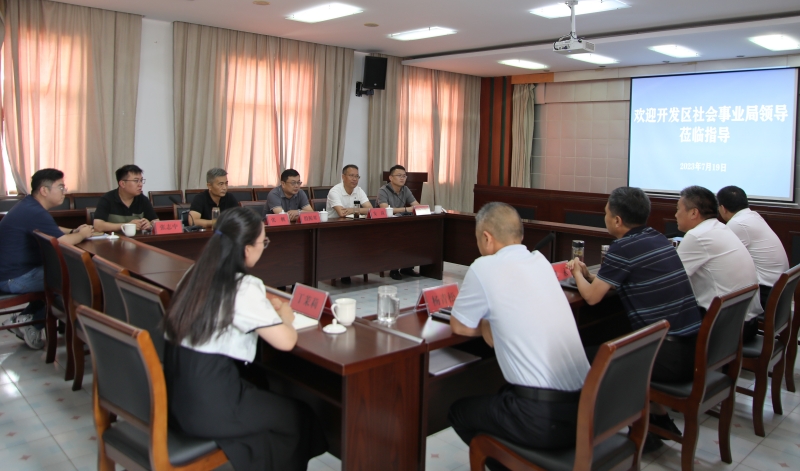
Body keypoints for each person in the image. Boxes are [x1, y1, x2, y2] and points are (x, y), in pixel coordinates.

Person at [163, 207, 327, 471]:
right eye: (264, 242)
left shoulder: (193, 275)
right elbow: (286, 341)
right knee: (299, 416)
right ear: (247, 249)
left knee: (267, 398)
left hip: (178, 400)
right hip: (211, 405)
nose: (264, 247)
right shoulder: (243, 285)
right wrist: (285, 316)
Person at [447, 202, 590, 470]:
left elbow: (459, 326)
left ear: (486, 238)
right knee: (501, 392)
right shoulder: (540, 261)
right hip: (585, 411)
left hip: (542, 419)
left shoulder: (484, 266)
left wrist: (487, 324)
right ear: (520, 235)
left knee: (459, 413)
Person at [567, 187, 702, 451]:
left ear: (617, 220)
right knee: (613, 335)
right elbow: (627, 278)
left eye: (606, 213)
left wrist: (577, 273)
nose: (605, 218)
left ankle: (591, 430)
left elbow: (592, 298)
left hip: (669, 356)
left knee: (587, 357)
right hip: (691, 349)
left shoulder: (623, 247)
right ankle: (657, 419)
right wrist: (592, 277)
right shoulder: (657, 237)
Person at [0, 169, 93, 349]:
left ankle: (26, 319)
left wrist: (73, 231)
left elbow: (52, 229)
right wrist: (82, 234)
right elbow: (63, 242)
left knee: (59, 273)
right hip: (14, 278)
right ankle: (34, 324)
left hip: (11, 272)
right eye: (60, 187)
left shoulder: (29, 206)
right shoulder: (34, 211)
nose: (64, 192)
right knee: (75, 277)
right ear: (44, 190)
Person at [675, 185, 762, 341]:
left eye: (678, 209)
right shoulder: (720, 228)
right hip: (747, 322)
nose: (675, 215)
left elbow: (672, 280)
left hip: (728, 329)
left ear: (694, 212)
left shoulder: (697, 235)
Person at [717, 185, 789, 310]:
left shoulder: (737, 223)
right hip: (779, 289)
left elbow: (720, 258)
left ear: (722, 208)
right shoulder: (753, 216)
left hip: (766, 292)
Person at [326, 164, 373, 284]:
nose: (354, 179)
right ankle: (344, 272)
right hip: (334, 229)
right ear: (343, 177)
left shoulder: (359, 190)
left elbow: (370, 209)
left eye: (357, 176)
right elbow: (341, 213)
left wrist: (353, 210)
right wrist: (358, 210)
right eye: (351, 175)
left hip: (352, 226)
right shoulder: (335, 191)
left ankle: (356, 268)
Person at [377, 165, 422, 280]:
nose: (402, 178)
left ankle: (407, 267)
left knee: (415, 235)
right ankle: (394, 269)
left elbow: (416, 206)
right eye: (399, 175)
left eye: (404, 176)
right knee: (398, 237)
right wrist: (406, 209)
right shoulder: (383, 190)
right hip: (385, 226)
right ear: (391, 178)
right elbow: (385, 210)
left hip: (401, 223)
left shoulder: (405, 189)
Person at [93, 164, 158, 233]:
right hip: (114, 239)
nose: (140, 184)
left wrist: (150, 225)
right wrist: (125, 226)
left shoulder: (143, 199)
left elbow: (156, 222)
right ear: (122, 184)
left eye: (141, 180)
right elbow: (97, 226)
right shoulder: (107, 199)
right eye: (136, 181)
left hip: (137, 238)